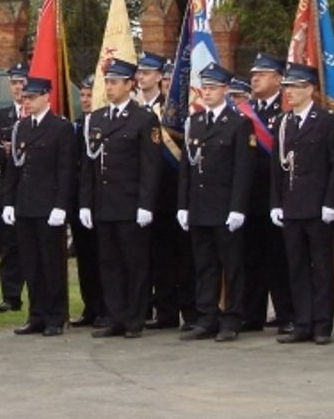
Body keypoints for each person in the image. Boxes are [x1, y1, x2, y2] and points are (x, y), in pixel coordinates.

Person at [79, 58, 163, 338]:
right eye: (108, 82)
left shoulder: (143, 119)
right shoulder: (98, 119)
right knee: (109, 264)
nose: (111, 87)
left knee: (134, 263)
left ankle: (134, 319)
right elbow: (90, 165)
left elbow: (150, 167)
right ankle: (114, 316)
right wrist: (85, 203)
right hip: (105, 203)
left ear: (130, 84)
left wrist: (145, 204)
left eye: (116, 82)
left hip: (130, 204)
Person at [269, 62, 334, 345]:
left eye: (294, 87)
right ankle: (302, 322)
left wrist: (332, 203)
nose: (289, 92)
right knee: (297, 267)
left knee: (322, 268)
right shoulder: (283, 122)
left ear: (310, 89)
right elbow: (277, 168)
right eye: (287, 87)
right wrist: (276, 202)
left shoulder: (327, 121)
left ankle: (321, 324)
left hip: (318, 207)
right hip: (291, 206)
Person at [177, 63, 254, 341]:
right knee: (204, 265)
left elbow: (242, 170)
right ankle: (206, 317)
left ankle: (231, 319)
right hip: (199, 206)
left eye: (212, 88)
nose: (206, 93)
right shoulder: (194, 123)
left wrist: (237, 208)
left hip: (224, 208)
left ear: (225, 90)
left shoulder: (238, 124)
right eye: (204, 88)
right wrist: (183, 205)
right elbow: (187, 167)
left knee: (231, 266)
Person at [1, 77, 76, 337]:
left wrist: (61, 206)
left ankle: (55, 317)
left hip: (49, 207)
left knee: (51, 264)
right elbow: (14, 169)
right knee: (31, 264)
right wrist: (8, 202)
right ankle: (37, 315)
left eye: (32, 98)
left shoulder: (60, 128)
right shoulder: (22, 127)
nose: (27, 102)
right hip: (25, 205)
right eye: (25, 98)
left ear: (47, 97)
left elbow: (65, 171)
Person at [136, 50, 194, 329]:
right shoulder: (134, 109)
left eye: (147, 72)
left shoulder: (172, 111)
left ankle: (189, 311)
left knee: (181, 256)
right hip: (145, 196)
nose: (141, 77)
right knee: (154, 257)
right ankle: (163, 312)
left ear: (160, 77)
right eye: (139, 72)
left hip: (172, 192)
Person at [240, 53, 295, 333]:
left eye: (262, 74)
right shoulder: (244, 111)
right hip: (249, 197)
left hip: (278, 196)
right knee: (251, 258)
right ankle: (252, 314)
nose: (255, 78)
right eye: (253, 74)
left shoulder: (286, 111)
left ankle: (286, 314)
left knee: (279, 258)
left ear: (278, 79)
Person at [0, 62, 29, 313]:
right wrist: (4, 153)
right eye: (14, 83)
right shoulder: (0, 117)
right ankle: (11, 297)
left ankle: (39, 298)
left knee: (33, 249)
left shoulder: (39, 114)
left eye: (22, 82)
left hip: (33, 189)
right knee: (10, 248)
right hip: (8, 189)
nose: (19, 88)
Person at [69, 75, 106, 328]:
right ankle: (90, 306)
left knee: (104, 257)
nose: (84, 100)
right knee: (85, 259)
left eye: (89, 94)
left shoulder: (105, 124)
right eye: (81, 95)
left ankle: (106, 307)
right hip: (79, 201)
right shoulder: (77, 125)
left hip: (102, 201)